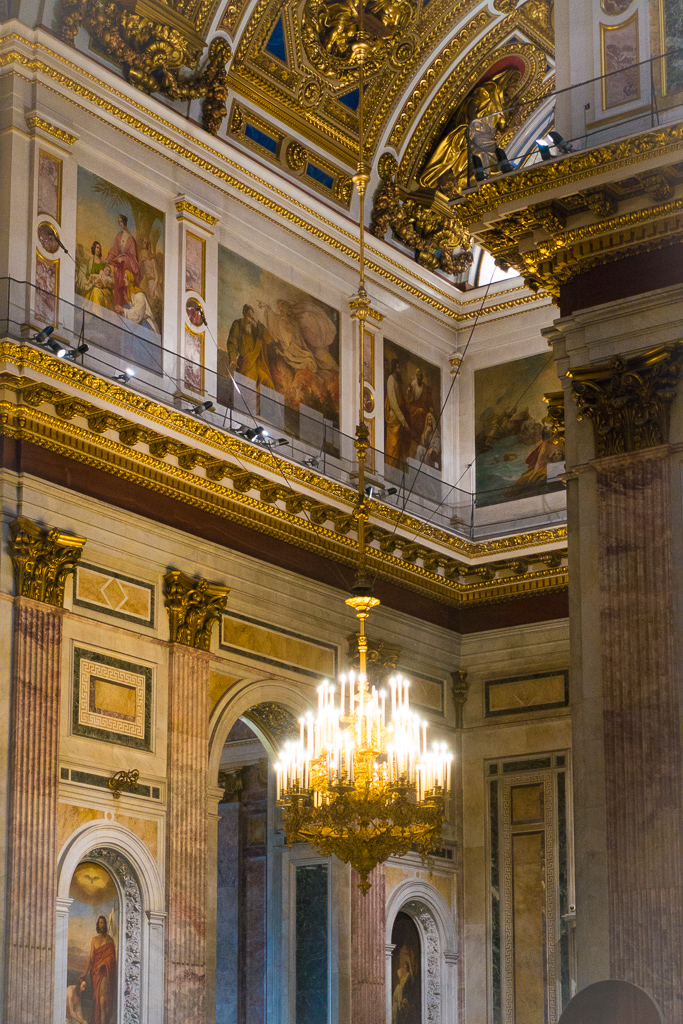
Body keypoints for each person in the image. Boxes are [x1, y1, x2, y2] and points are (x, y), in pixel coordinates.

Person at [84, 915, 116, 1024]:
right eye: (100, 922)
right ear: (98, 925)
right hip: (95, 973)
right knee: (97, 1001)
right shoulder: (94, 939)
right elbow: (91, 957)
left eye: (104, 922)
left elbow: (112, 958)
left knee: (103, 1001)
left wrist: (104, 963)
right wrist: (85, 972)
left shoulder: (110, 940)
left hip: (105, 972)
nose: (102, 924)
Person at [106, 213, 140, 308]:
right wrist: (109, 258)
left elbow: (133, 257)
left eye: (121, 222)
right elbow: (115, 250)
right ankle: (117, 310)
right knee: (117, 290)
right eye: (119, 222)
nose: (120, 224)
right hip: (118, 268)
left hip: (126, 268)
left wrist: (124, 258)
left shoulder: (131, 239)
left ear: (125, 222)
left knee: (125, 289)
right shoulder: (118, 236)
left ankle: (125, 311)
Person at [385, 358, 410, 469]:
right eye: (398, 368)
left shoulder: (398, 382)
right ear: (395, 368)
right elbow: (393, 402)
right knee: (393, 446)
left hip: (399, 415)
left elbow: (401, 400)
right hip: (394, 416)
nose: (399, 370)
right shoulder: (391, 379)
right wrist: (403, 420)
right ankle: (391, 467)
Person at [406, 367, 434, 448]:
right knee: (420, 411)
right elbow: (409, 398)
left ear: (422, 377)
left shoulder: (424, 386)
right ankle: (415, 435)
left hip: (421, 408)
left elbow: (428, 399)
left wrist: (430, 406)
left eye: (421, 376)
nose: (419, 377)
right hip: (413, 407)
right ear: (416, 376)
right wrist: (410, 390)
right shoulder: (413, 384)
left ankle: (420, 436)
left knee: (422, 412)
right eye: (418, 375)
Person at [84, 242, 114, 310]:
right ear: (94, 248)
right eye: (97, 248)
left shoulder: (102, 261)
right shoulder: (91, 261)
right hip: (95, 283)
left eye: (99, 248)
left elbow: (108, 273)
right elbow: (88, 275)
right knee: (93, 293)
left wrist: (104, 283)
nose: (98, 250)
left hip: (103, 285)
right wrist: (94, 281)